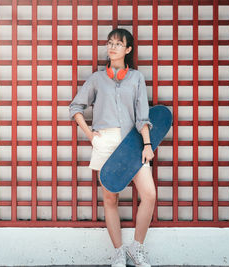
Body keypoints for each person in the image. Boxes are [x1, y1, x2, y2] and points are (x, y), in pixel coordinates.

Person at [69, 28, 155, 267]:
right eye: (110, 43)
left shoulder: (137, 78)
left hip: (131, 142)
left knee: (149, 194)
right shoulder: (97, 78)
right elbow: (75, 107)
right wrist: (90, 135)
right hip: (104, 142)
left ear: (128, 50)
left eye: (118, 44)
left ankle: (137, 248)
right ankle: (118, 252)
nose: (112, 47)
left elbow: (142, 116)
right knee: (110, 199)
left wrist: (147, 144)